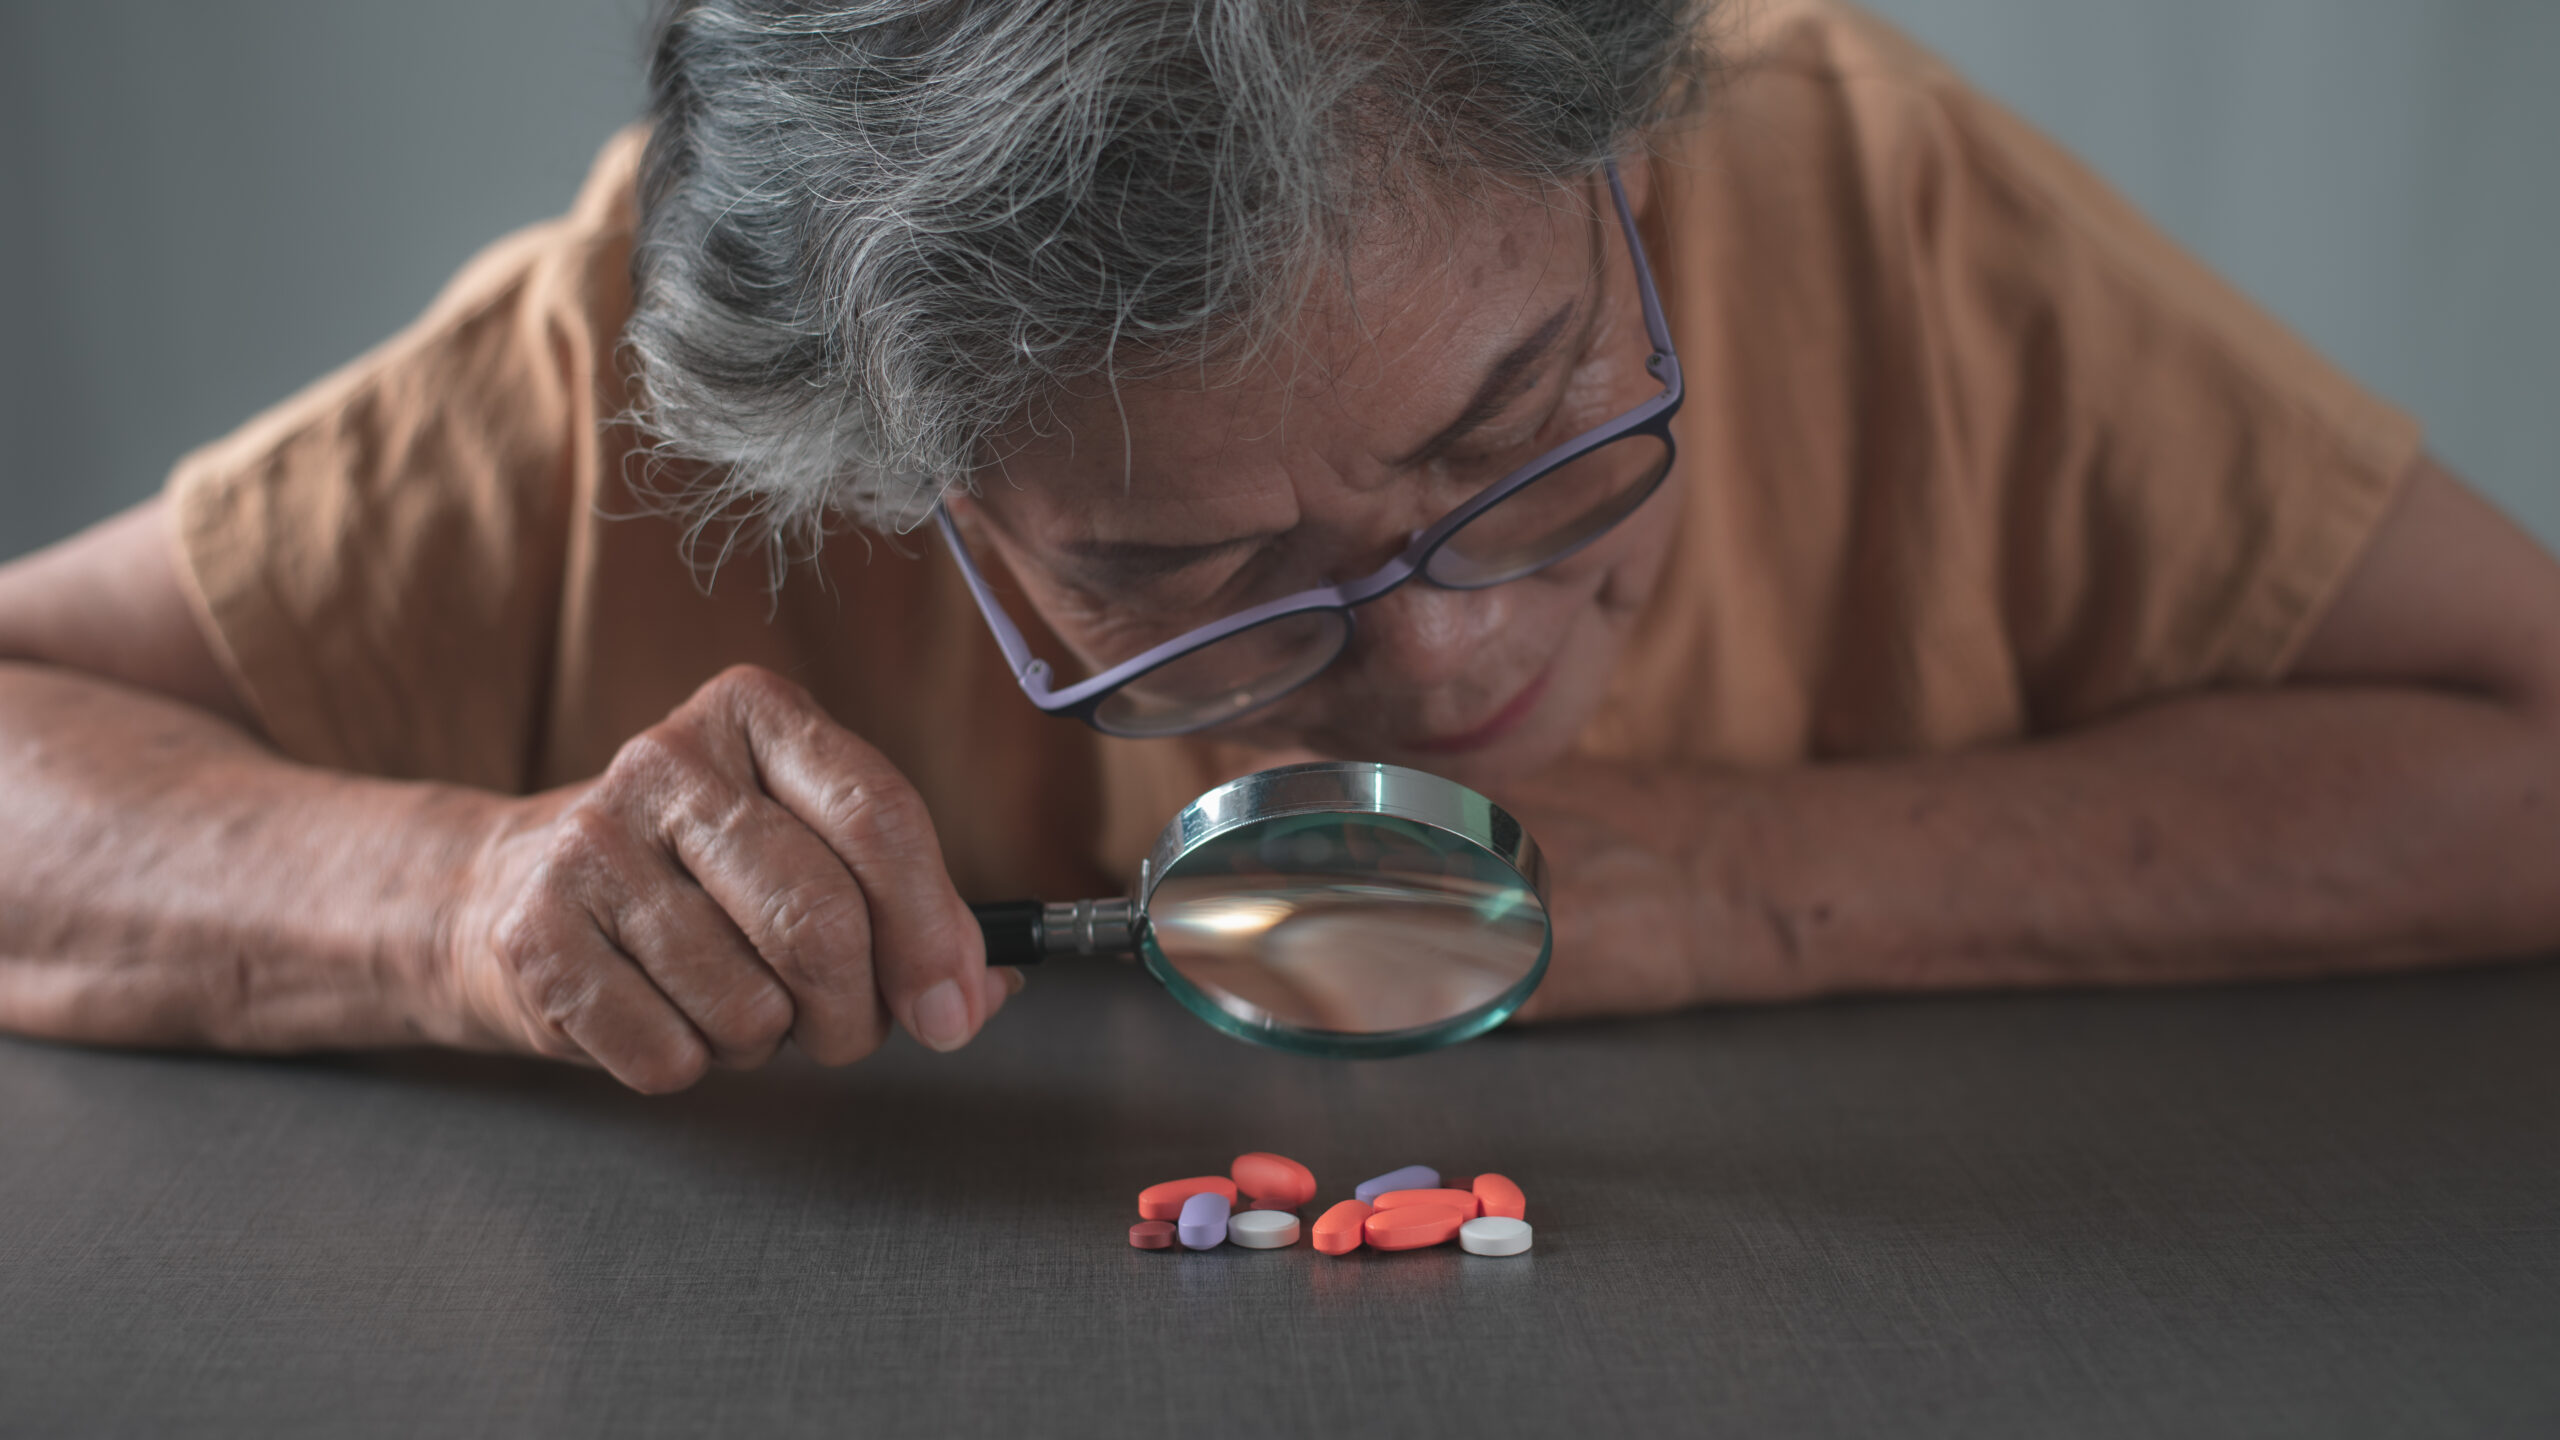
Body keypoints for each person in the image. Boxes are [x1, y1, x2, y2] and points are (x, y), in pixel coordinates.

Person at [2, 0, 2554, 1094]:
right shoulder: (625, 374)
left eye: (1528, 420)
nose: (1445, 662)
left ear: (1627, 176)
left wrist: (1710, 884)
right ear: (890, 478)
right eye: (1180, 571)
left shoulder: (1859, 182)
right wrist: (464, 909)